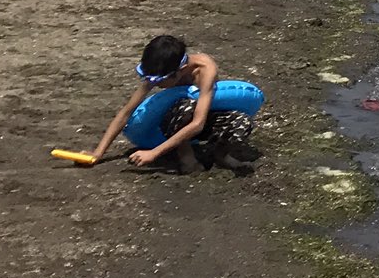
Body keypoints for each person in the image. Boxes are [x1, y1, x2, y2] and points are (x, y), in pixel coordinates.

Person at [90, 35, 260, 174]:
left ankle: (220, 154)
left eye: (159, 81)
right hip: (172, 119)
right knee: (182, 107)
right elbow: (127, 112)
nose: (153, 84)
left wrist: (153, 154)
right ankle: (187, 159)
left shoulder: (205, 71)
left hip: (200, 117)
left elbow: (198, 123)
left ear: (180, 71)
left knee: (241, 122)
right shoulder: (159, 69)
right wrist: (98, 153)